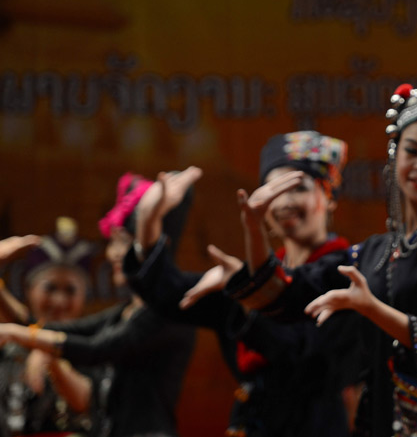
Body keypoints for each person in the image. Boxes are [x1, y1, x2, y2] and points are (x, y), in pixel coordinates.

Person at [187, 54, 417, 437]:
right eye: (413, 151)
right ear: (395, 153)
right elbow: (285, 297)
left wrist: (372, 308)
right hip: (380, 420)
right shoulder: (375, 252)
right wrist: (254, 232)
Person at [126, 132, 358, 437]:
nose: (285, 201)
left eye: (298, 188)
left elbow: (306, 358)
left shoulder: (346, 272)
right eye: (274, 190)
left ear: (329, 197)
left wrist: (249, 297)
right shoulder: (247, 278)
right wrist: (147, 218)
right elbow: (169, 293)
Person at [0, 175, 197, 437]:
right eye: (113, 243)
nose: (113, 254)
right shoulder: (125, 312)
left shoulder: (167, 310)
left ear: (156, 244)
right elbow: (54, 329)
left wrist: (24, 337)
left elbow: (95, 348)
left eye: (124, 242)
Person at [0, 221, 95, 436]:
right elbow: (21, 321)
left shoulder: (95, 345)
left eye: (70, 290)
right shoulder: (12, 335)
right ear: (29, 289)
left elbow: (85, 403)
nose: (59, 301)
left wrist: (49, 353)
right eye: (50, 288)